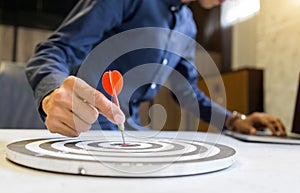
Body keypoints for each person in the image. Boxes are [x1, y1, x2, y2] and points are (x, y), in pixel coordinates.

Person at [26, 0, 286, 137]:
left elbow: (186, 92)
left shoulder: (188, 25)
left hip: (134, 133)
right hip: (84, 130)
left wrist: (234, 120)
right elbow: (52, 52)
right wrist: (53, 94)